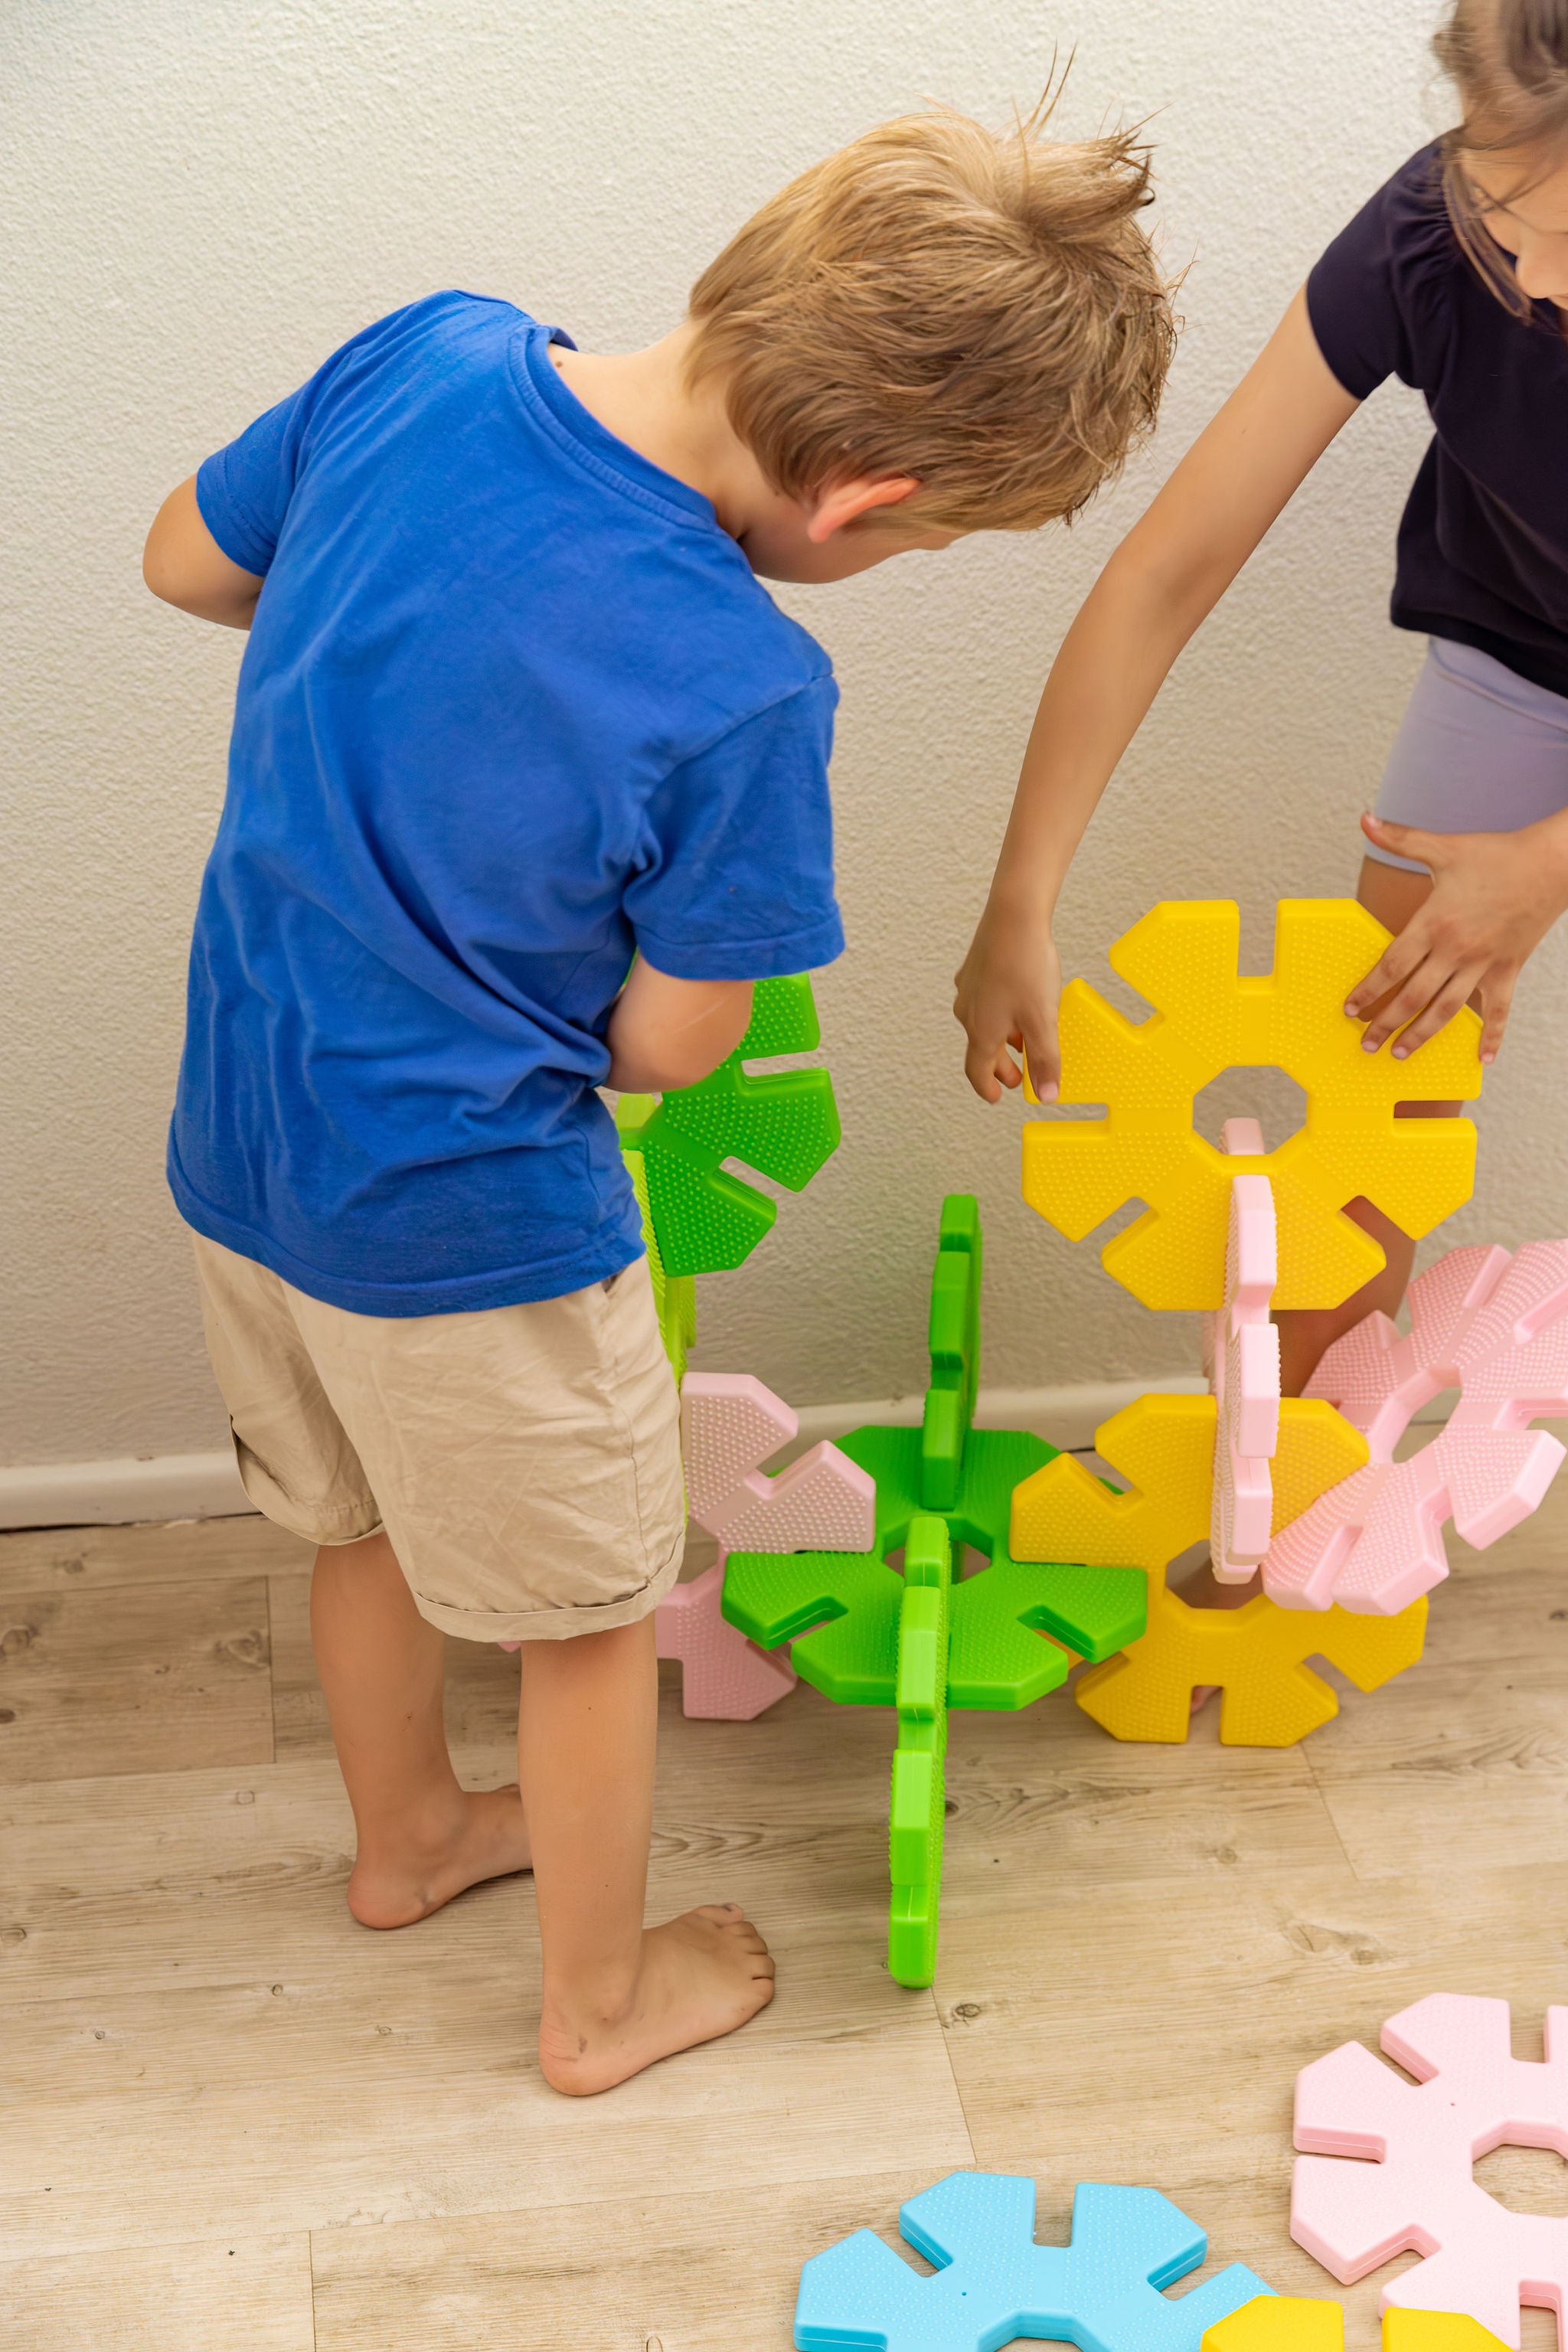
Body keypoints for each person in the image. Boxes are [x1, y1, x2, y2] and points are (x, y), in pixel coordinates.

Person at [142, 103, 1175, 2094]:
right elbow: (671, 1048)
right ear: (865, 497)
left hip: (248, 1127)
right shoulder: (741, 686)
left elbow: (187, 554)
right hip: (468, 1212)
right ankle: (602, 2006)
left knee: (356, 1525)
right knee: (589, 1617)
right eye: (932, 545)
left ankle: (408, 1842)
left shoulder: (423, 353)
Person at [956, 0, 1568, 1414]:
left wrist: (1544, 867)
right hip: (1521, 657)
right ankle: (1290, 1492)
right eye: (1495, 195)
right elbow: (1166, 573)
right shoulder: (1429, 231)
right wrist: (1022, 896)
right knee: (1373, 1083)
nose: (1524, 273)